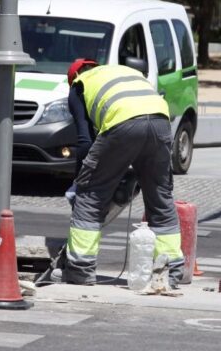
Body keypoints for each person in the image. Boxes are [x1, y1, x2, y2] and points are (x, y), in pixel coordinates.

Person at [54, 58, 185, 286]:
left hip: (122, 122)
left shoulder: (79, 85)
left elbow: (85, 141)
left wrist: (81, 179)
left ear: (73, 77)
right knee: (160, 198)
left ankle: (80, 270)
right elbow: (142, 125)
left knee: (90, 197)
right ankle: (170, 272)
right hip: (160, 121)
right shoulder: (123, 72)